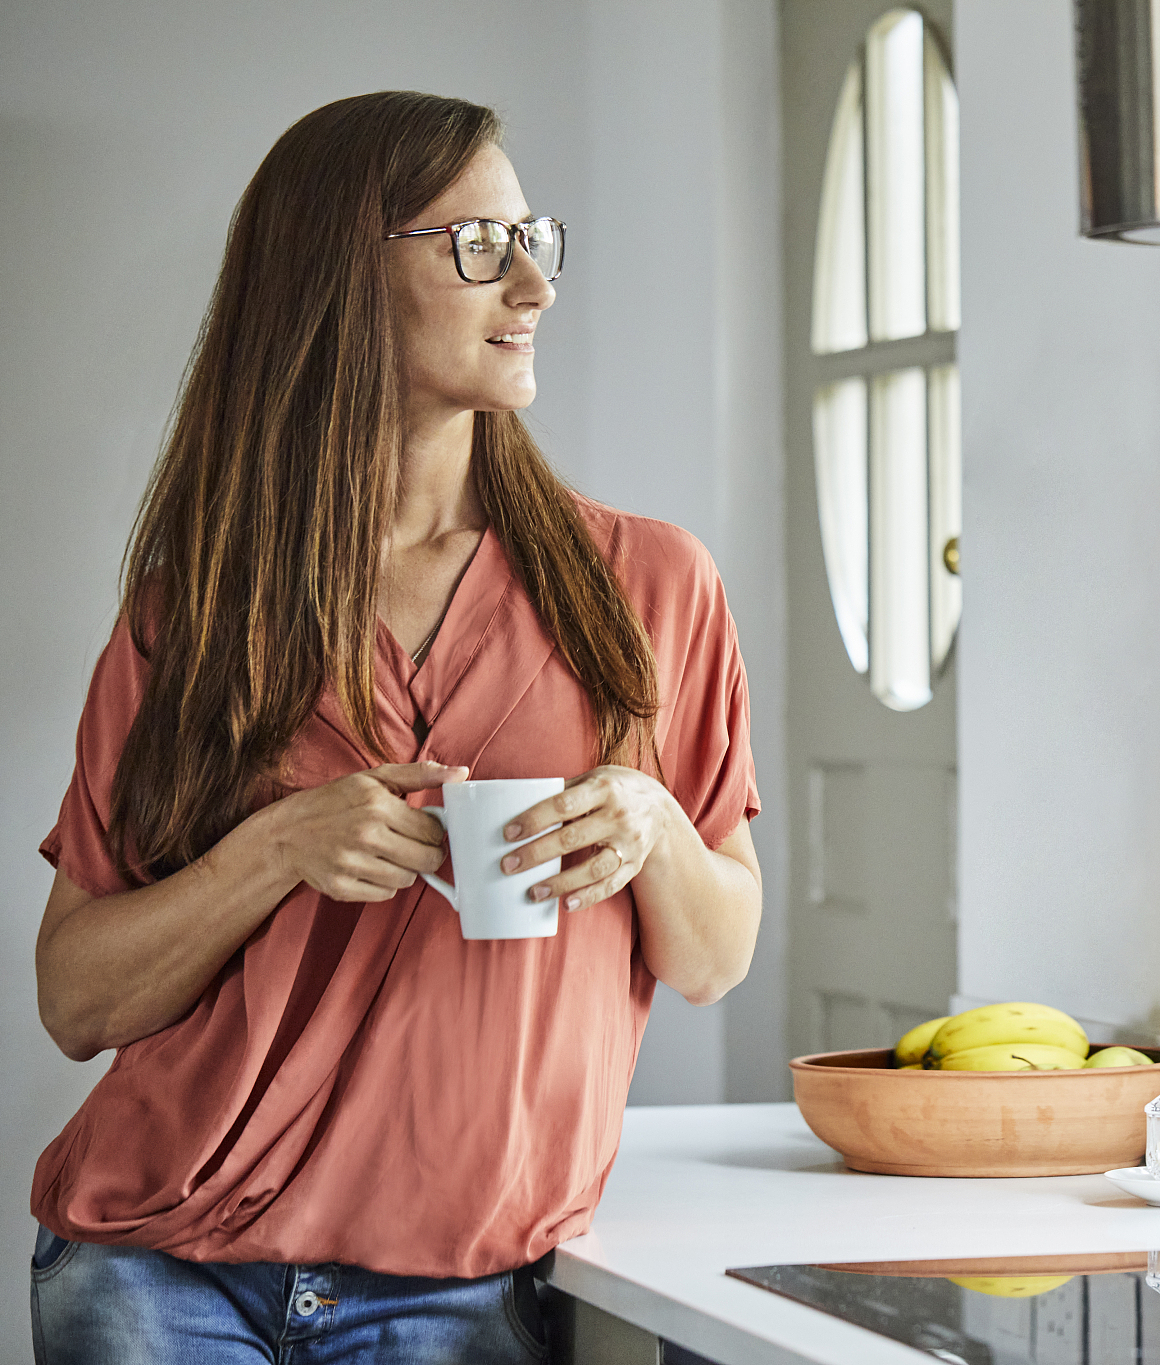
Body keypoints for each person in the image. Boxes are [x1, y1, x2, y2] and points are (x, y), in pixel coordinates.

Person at [28, 91, 762, 1363]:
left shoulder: (648, 586)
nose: (531, 282)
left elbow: (712, 959)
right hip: (163, 1273)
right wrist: (269, 853)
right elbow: (76, 1000)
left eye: (534, 237)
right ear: (337, 277)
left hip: (460, 1295)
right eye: (478, 245)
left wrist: (652, 829)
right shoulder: (192, 609)